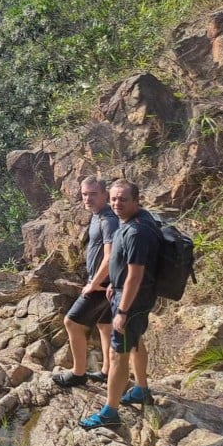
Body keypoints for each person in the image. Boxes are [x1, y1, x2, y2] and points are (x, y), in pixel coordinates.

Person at [79, 179, 160, 430]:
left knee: (117, 354)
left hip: (132, 301)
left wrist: (122, 311)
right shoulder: (135, 221)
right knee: (135, 342)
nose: (117, 203)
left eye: (123, 199)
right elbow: (126, 265)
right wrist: (115, 280)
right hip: (131, 294)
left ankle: (110, 411)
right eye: (113, 198)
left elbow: (136, 274)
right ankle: (141, 390)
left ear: (136, 200)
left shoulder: (136, 231)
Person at [52, 176, 117, 388]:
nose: (87, 198)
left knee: (71, 322)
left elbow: (110, 257)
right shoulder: (97, 216)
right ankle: (107, 371)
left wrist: (93, 283)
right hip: (103, 283)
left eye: (93, 194)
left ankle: (78, 373)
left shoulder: (108, 220)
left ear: (104, 195)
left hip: (102, 284)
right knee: (104, 325)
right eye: (84, 194)